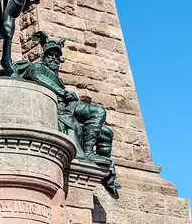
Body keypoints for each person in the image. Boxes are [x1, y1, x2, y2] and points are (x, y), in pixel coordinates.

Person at [13, 32, 121, 195]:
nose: (54, 59)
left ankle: (104, 175)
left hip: (69, 107)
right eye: (51, 56)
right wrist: (62, 93)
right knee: (98, 112)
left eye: (57, 56)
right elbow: (40, 79)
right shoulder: (36, 68)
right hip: (62, 107)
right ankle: (89, 154)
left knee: (106, 134)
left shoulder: (57, 77)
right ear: (44, 57)